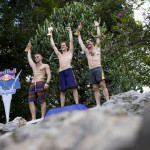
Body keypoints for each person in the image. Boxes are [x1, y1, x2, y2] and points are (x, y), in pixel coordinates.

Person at [78, 21, 109, 106]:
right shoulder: (86, 51)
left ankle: (108, 101)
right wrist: (79, 34)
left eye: (89, 42)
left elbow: (99, 37)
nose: (87, 43)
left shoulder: (97, 48)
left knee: (102, 84)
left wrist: (97, 27)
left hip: (98, 68)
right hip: (91, 70)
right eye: (87, 42)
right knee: (95, 88)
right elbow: (80, 43)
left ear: (93, 42)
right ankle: (98, 104)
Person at [49, 27, 79, 107]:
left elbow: (71, 41)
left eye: (64, 45)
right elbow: (53, 46)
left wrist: (70, 32)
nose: (62, 46)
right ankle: (62, 107)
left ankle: (77, 104)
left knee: (73, 88)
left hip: (69, 71)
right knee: (62, 90)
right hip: (61, 72)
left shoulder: (70, 52)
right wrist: (50, 35)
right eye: (61, 45)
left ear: (67, 47)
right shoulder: (59, 55)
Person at [27, 49, 51, 120]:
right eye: (35, 57)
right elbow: (29, 58)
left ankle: (42, 117)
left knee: (42, 100)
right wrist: (29, 50)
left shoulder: (45, 65)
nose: (36, 58)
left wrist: (47, 83)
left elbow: (49, 74)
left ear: (41, 58)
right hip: (33, 83)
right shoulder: (34, 66)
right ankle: (33, 118)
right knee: (30, 101)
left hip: (40, 82)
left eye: (37, 57)